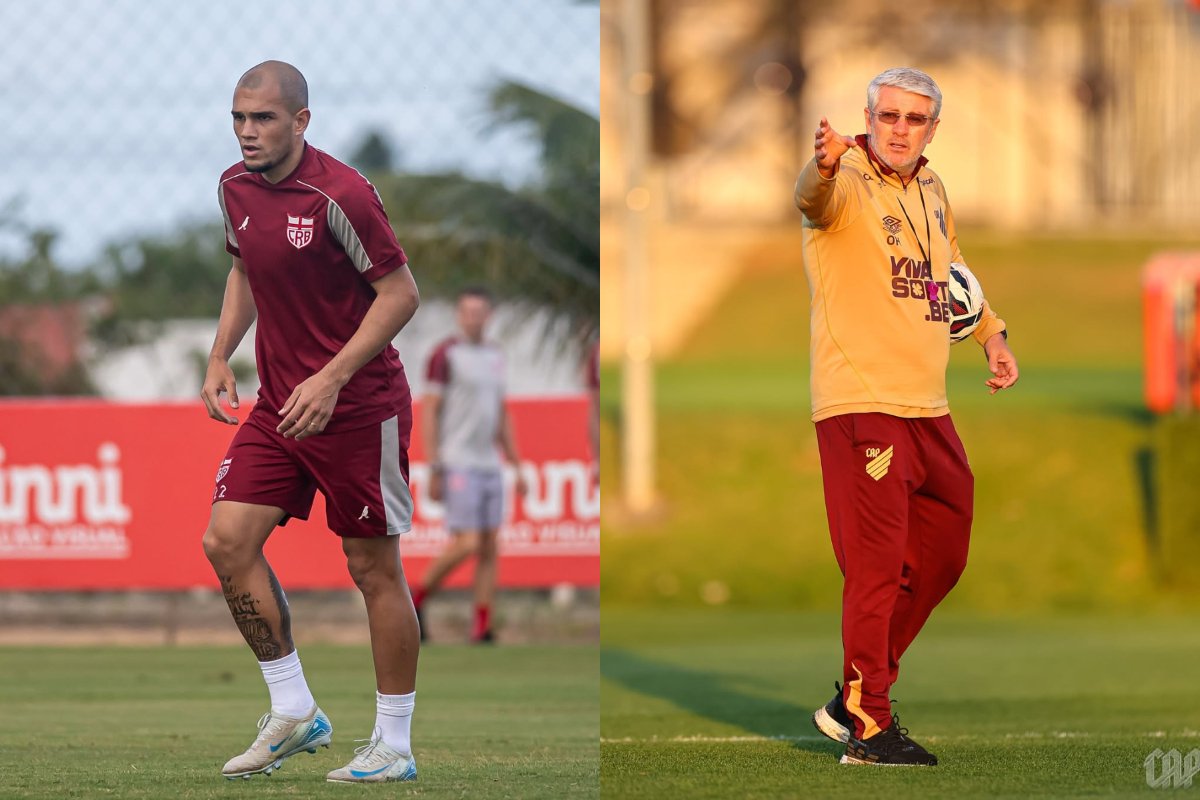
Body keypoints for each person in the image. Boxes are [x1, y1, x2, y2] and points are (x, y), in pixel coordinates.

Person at [199, 60, 422, 783]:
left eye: (262, 118)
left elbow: (400, 294)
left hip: (358, 407)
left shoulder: (343, 193)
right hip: (282, 408)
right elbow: (244, 272)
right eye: (238, 117)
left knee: (371, 569)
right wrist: (218, 355)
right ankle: (294, 711)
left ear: (301, 121)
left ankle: (393, 743)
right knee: (226, 541)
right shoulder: (234, 188)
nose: (246, 132)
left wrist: (331, 378)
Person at [794, 67, 1019, 766]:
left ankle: (855, 694)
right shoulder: (847, 177)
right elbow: (812, 196)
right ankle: (869, 726)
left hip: (929, 406)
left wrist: (992, 335)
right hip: (863, 405)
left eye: (913, 119)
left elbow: (949, 268)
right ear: (870, 115)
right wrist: (824, 161)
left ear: (931, 128)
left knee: (946, 552)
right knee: (876, 566)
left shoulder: (931, 186)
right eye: (887, 115)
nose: (898, 128)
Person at [410, 287, 526, 643]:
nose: (474, 318)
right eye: (467, 312)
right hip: (458, 461)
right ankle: (416, 598)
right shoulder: (445, 355)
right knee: (469, 542)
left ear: (489, 316)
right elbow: (431, 410)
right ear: (459, 316)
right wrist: (435, 465)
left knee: (490, 546)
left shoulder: (495, 355)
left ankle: (482, 625)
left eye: (480, 312)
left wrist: (517, 464)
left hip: (490, 463)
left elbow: (501, 412)